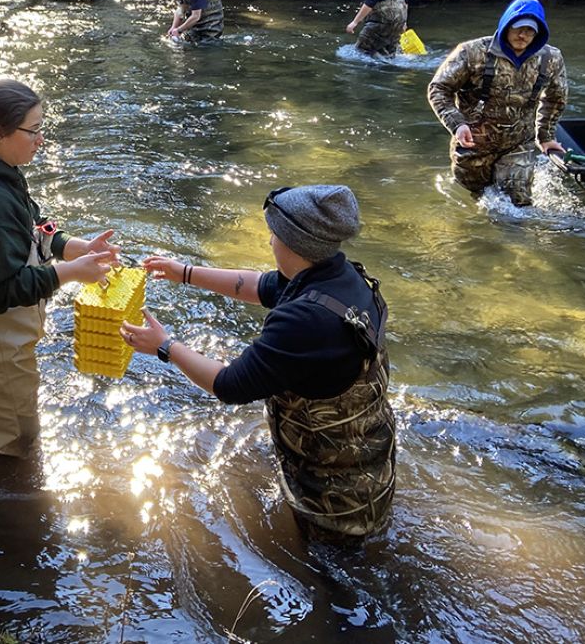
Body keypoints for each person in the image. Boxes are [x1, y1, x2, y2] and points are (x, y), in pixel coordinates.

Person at [121, 185, 395, 540]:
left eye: (275, 234)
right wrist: (184, 272)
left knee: (330, 575)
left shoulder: (304, 321)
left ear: (296, 244)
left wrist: (164, 346)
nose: (269, 242)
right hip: (371, 467)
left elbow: (229, 385)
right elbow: (259, 285)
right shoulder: (342, 278)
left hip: (334, 504)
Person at [0, 79, 119, 458]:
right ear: (0, 132)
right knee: (16, 449)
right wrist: (73, 272)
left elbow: (31, 225)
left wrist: (71, 247)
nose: (41, 140)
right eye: (34, 130)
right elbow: (2, 292)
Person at [427, 0, 569, 206]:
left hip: (518, 144)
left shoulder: (550, 58)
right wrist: (457, 125)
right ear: (506, 26)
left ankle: (520, 237)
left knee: (516, 204)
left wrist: (545, 136)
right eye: (518, 28)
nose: (523, 35)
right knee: (477, 199)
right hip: (473, 144)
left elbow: (556, 98)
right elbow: (438, 89)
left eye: (530, 31)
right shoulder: (472, 52)